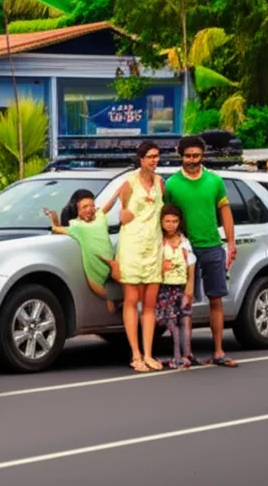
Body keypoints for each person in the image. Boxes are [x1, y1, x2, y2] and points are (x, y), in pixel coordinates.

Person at [163, 135, 238, 367]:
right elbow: (166, 216)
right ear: (180, 155)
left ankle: (218, 351)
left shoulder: (214, 181)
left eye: (196, 156)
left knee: (216, 298)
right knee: (185, 302)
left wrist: (231, 243)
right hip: (185, 249)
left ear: (202, 156)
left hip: (212, 246)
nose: (192, 160)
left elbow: (225, 212)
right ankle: (187, 354)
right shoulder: (172, 184)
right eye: (188, 156)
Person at [115, 141, 166, 373]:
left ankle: (148, 353)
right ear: (141, 159)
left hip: (154, 246)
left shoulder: (159, 183)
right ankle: (135, 354)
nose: (154, 161)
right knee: (131, 299)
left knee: (150, 303)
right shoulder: (129, 183)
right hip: (132, 247)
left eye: (156, 156)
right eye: (150, 157)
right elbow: (122, 213)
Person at [44, 189, 120, 313]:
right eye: (84, 207)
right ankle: (112, 300)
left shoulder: (100, 218)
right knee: (107, 295)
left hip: (112, 266)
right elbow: (57, 229)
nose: (89, 209)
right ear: (77, 210)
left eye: (92, 206)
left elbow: (109, 204)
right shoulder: (76, 226)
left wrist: (118, 192)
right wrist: (54, 220)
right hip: (95, 270)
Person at [156, 204, 197, 369]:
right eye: (167, 221)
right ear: (161, 222)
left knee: (185, 318)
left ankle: (188, 353)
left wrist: (190, 285)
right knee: (171, 321)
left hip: (181, 286)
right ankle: (177, 354)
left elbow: (191, 264)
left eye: (174, 221)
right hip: (165, 288)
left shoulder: (184, 242)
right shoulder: (159, 243)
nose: (171, 224)